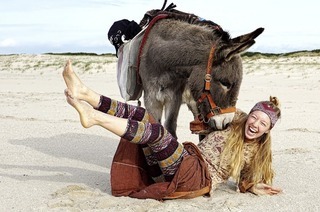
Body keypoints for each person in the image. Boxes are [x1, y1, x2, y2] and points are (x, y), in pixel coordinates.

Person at [62, 60, 282, 200]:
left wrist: (254, 186)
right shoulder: (236, 119)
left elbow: (246, 181)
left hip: (196, 178)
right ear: (248, 115)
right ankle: (87, 95)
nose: (255, 124)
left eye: (263, 123)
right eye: (255, 117)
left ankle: (94, 118)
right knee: (145, 117)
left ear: (268, 130)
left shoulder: (258, 152)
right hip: (183, 161)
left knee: (156, 135)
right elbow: (215, 105)